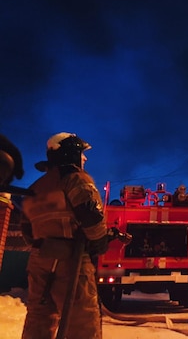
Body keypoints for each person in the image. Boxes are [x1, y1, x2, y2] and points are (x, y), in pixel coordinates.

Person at [20, 132, 109, 339]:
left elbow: (27, 231)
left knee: (38, 317)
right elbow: (91, 215)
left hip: (39, 261)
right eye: (81, 152)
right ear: (70, 154)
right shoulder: (76, 179)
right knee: (82, 322)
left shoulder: (36, 188)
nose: (84, 158)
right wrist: (99, 241)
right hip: (72, 261)